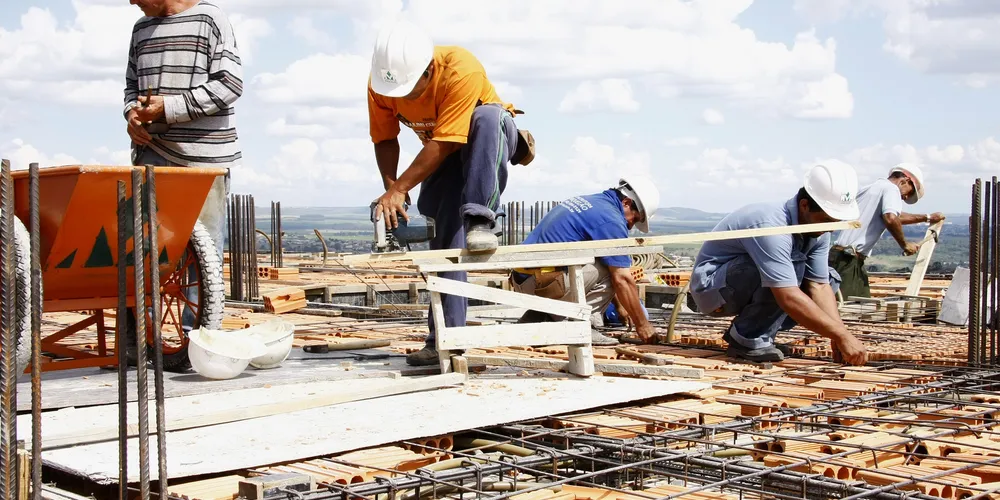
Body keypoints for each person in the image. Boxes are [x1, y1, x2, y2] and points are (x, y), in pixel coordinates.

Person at [365, 21, 535, 366]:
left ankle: (482, 219)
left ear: (429, 69)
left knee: (488, 117)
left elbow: (446, 142)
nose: (402, 98)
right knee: (446, 247)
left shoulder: (460, 68)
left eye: (409, 90)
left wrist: (401, 187)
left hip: (483, 144)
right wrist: (392, 190)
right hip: (442, 153)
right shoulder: (382, 83)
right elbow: (384, 139)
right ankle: (445, 341)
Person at [123, 0, 241, 362]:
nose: (131, 2)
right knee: (142, 252)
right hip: (151, 156)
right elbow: (130, 88)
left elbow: (229, 85)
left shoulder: (210, 19)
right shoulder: (141, 29)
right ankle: (143, 343)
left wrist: (168, 108)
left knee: (201, 262)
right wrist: (132, 116)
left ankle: (196, 347)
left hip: (202, 162)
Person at [687, 164, 868, 365]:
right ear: (805, 205)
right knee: (788, 271)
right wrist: (842, 336)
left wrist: (838, 334)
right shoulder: (771, 225)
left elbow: (819, 285)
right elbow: (787, 294)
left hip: (743, 284)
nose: (830, 228)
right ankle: (748, 338)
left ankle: (761, 335)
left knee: (829, 277)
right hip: (713, 290)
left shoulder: (819, 228)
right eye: (827, 219)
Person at [510, 177, 661, 347]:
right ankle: (581, 326)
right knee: (616, 270)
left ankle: (540, 317)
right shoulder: (612, 219)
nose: (630, 226)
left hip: (523, 280)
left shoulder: (593, 202)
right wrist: (643, 325)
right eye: (634, 219)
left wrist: (620, 305)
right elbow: (622, 279)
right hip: (542, 284)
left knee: (608, 262)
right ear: (626, 203)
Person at [829, 163, 945, 298]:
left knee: (861, 304)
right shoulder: (892, 189)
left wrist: (928, 217)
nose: (905, 197)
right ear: (905, 181)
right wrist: (905, 245)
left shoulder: (870, 188)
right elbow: (890, 218)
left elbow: (894, 216)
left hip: (842, 256)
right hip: (848, 260)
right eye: (910, 192)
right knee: (849, 307)